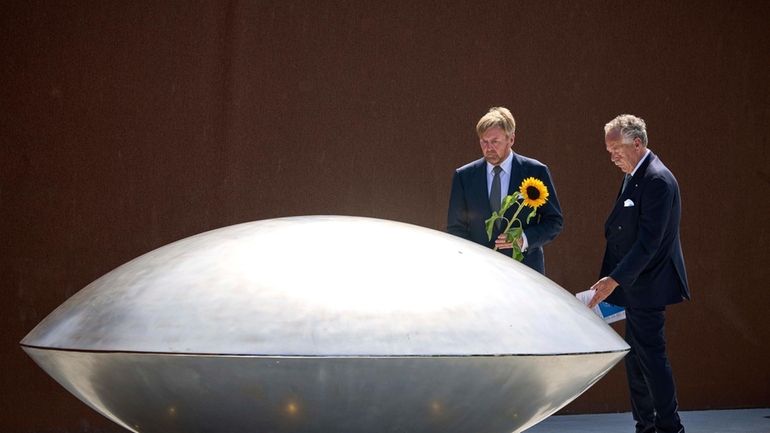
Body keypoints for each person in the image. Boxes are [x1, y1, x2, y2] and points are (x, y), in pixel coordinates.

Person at [589, 114, 690, 433]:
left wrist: (614, 280)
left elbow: (649, 243)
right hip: (632, 288)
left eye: (616, 148)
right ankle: (645, 425)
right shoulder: (634, 174)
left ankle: (669, 427)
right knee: (636, 361)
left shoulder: (657, 179)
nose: (612, 155)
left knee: (651, 358)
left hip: (648, 286)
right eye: (608, 150)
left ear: (637, 143)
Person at [447, 107, 563, 274]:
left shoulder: (536, 172)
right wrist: (474, 259)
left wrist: (524, 238)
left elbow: (554, 221)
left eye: (495, 141)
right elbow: (455, 228)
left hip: (526, 272)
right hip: (480, 272)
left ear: (511, 139)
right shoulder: (464, 176)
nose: (488, 148)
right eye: (483, 141)